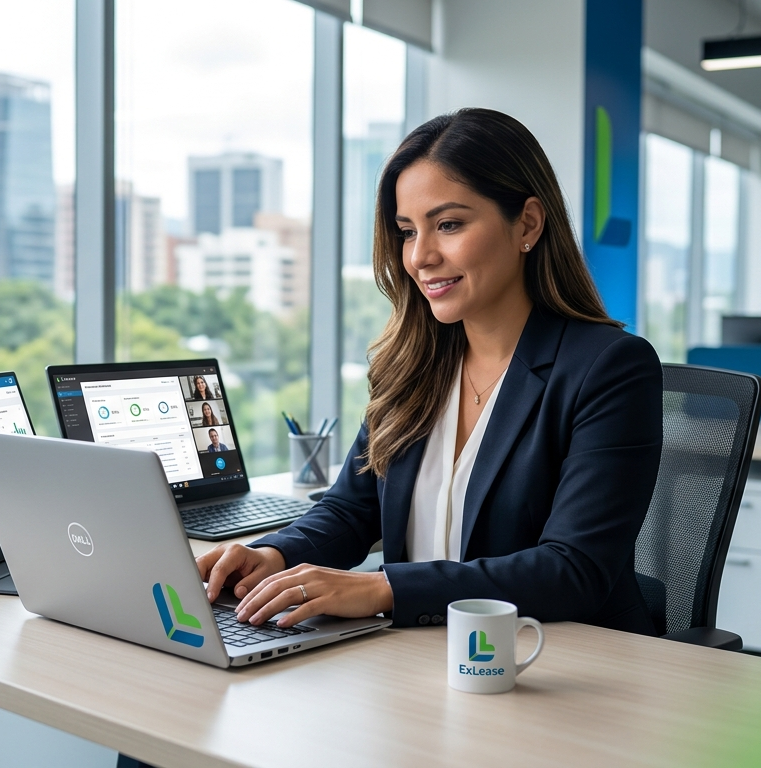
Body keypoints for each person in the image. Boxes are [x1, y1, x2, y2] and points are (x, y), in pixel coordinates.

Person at [196, 108, 662, 635]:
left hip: (555, 658)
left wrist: (383, 589)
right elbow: (352, 509)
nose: (420, 256)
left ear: (528, 224)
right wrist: (274, 554)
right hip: (420, 654)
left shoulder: (609, 368)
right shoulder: (413, 364)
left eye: (448, 225)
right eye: (406, 231)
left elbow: (573, 569)